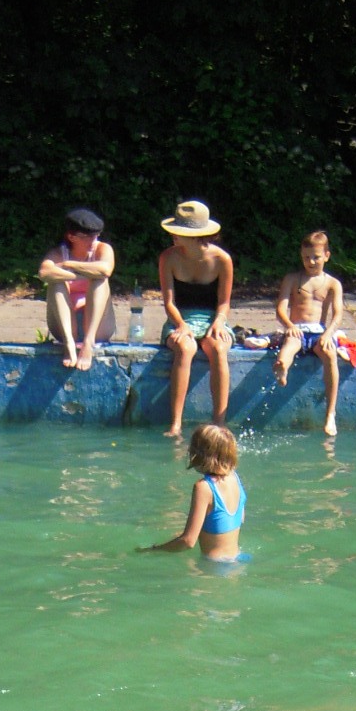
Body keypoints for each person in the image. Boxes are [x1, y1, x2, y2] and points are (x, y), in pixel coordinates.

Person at [158, 201, 234, 437]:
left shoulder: (222, 259)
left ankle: (219, 423)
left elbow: (224, 302)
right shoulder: (168, 257)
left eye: (179, 232)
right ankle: (176, 424)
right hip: (180, 317)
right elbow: (169, 302)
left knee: (218, 348)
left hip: (213, 317)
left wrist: (219, 322)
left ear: (196, 235)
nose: (173, 235)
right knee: (185, 347)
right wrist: (181, 325)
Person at [273, 230, 345, 436]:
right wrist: (289, 325)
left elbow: (338, 314)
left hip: (319, 332)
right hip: (297, 328)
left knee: (330, 355)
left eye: (316, 257)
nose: (311, 262)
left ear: (327, 256)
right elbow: (280, 309)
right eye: (306, 257)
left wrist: (328, 334)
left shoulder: (332, 283)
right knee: (290, 345)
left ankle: (330, 414)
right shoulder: (292, 279)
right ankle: (282, 367)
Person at [141, 424, 245, 561]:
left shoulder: (204, 487)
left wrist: (154, 550)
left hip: (214, 566)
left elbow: (188, 541)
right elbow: (238, 519)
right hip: (239, 559)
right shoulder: (234, 477)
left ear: (200, 454)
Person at [38, 208, 116, 371]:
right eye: (87, 237)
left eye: (96, 235)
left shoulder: (103, 249)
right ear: (71, 237)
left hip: (98, 325)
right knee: (55, 282)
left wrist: (69, 265)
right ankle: (69, 343)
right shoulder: (58, 253)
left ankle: (88, 343)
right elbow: (44, 272)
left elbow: (105, 269)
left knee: (99, 280)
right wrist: (80, 275)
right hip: (65, 324)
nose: (93, 240)